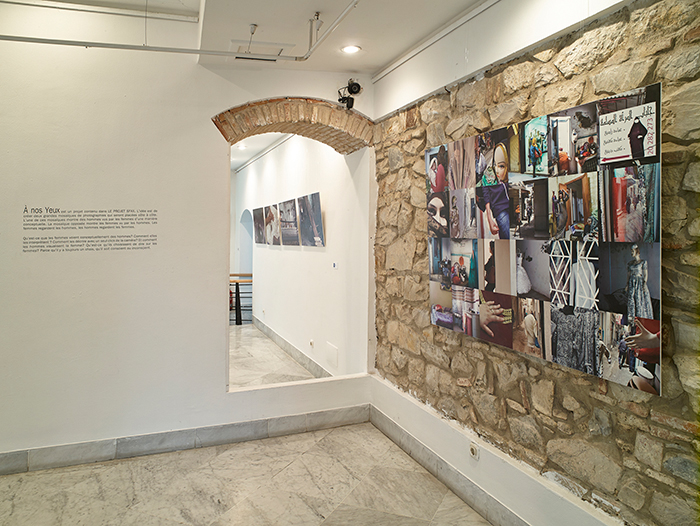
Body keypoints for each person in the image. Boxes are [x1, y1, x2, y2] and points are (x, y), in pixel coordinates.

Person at [481, 142, 511, 239]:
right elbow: (486, 194)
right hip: (500, 210)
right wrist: (489, 218)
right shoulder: (489, 175)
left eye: (501, 166)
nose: (497, 170)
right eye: (495, 165)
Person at [626, 244, 653, 320]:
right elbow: (628, 275)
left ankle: (640, 316)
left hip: (639, 282)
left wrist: (644, 284)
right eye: (631, 251)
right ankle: (632, 316)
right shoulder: (630, 263)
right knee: (631, 299)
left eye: (633, 251)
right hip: (632, 282)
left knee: (639, 299)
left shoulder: (643, 262)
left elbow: (645, 274)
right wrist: (627, 284)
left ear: (637, 252)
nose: (631, 253)